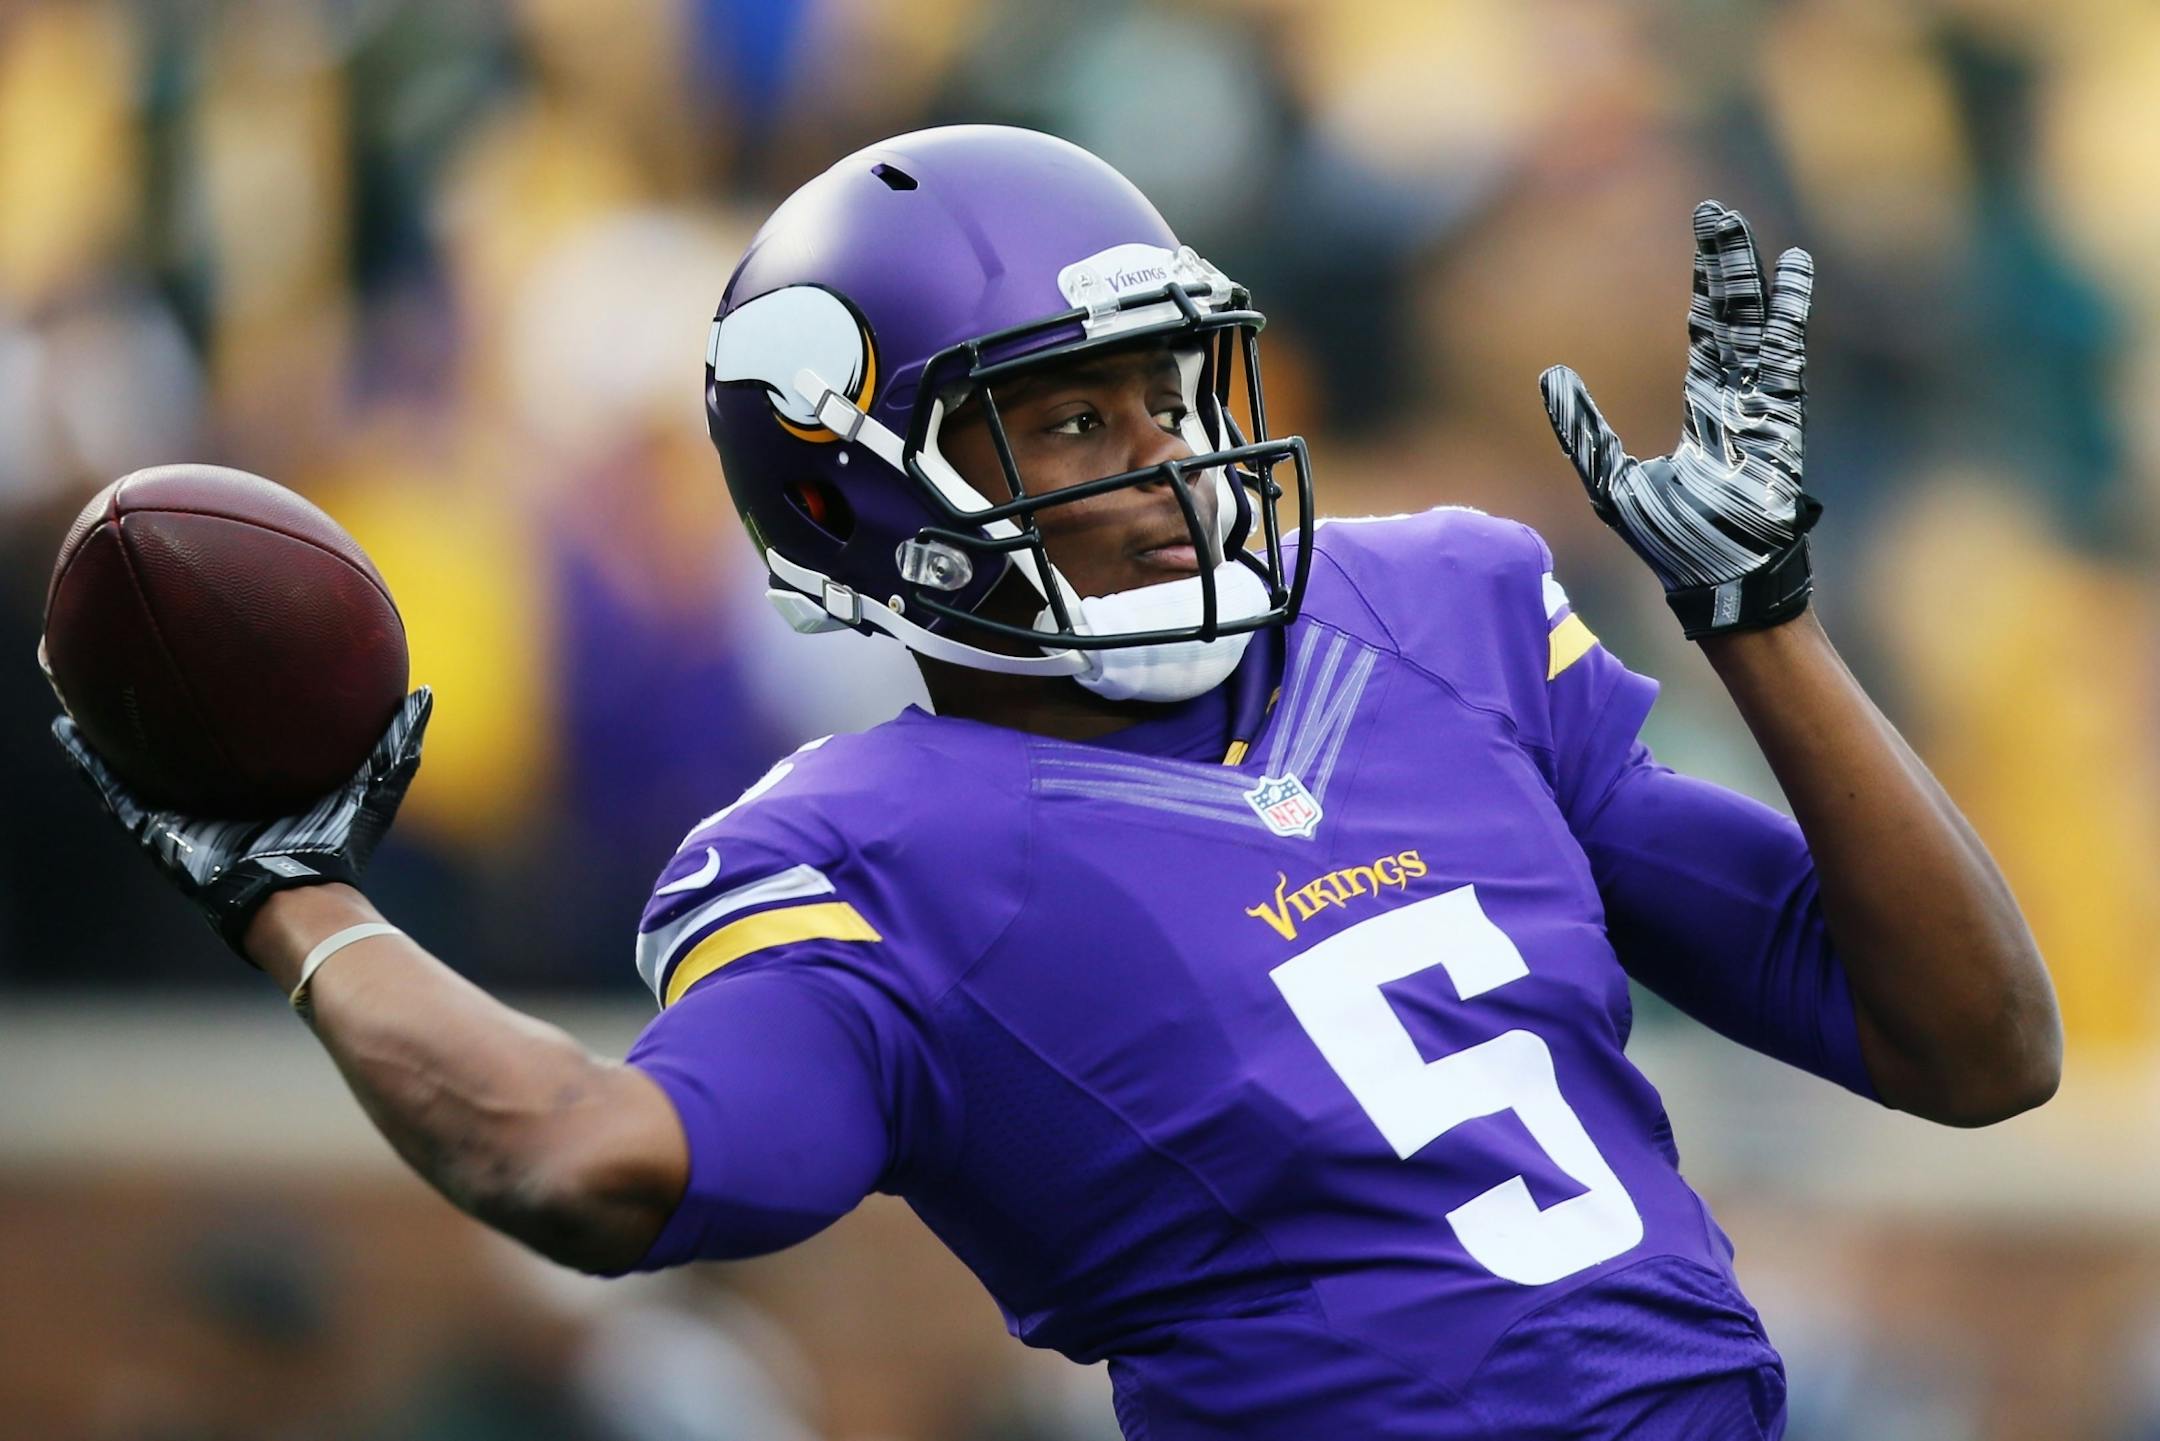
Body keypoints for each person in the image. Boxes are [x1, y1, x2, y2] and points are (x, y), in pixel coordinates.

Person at [55, 126, 2059, 1440]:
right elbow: (586, 1162)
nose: (1171, 457)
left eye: (1169, 393)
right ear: (865, 489)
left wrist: (1763, 624)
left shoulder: (1438, 606)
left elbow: (1975, 1046)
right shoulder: (862, 851)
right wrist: (293, 895)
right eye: (1071, 419)